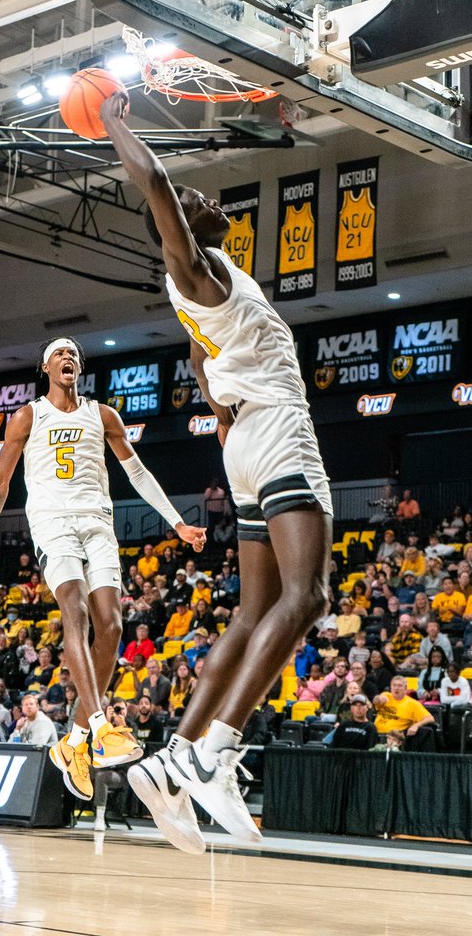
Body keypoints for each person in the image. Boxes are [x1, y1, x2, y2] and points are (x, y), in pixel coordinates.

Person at [101, 95, 332, 854]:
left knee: (251, 610)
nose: (208, 200)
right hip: (276, 429)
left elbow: (198, 352)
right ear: (179, 231)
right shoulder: (191, 267)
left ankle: (176, 757)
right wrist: (112, 120)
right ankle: (214, 750)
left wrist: (216, 406)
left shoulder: (203, 290)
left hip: (244, 438)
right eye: (197, 203)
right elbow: (161, 187)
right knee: (308, 597)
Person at [0, 337, 204, 805]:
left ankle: (72, 744)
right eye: (59, 353)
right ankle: (99, 727)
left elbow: (137, 473)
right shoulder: (28, 417)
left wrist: (176, 521)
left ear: (80, 366)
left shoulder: (103, 415)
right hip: (52, 523)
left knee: (112, 626)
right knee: (74, 614)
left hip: (98, 522)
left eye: (74, 352)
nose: (68, 357)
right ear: (45, 366)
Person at [372, 676, 437, 750]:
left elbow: (430, 718)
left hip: (394, 739)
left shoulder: (413, 703)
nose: (396, 688)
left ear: (405, 688)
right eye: (394, 685)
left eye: (399, 685)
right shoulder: (386, 695)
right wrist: (377, 699)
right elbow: (377, 699)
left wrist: (416, 725)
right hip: (375, 735)